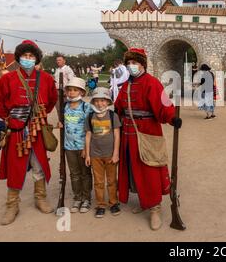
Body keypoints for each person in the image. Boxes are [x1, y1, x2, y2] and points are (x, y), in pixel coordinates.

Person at [0, 40, 58, 225]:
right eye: (25, 56)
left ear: (36, 58)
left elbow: (52, 99)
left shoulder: (45, 78)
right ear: (19, 57)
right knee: (15, 167)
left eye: (31, 56)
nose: (28, 59)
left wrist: (40, 115)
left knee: (39, 166)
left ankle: (40, 198)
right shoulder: (7, 79)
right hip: (16, 130)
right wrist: (8, 117)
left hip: (37, 130)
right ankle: (12, 205)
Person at [114, 48, 182, 230]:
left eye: (134, 62)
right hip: (128, 133)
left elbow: (164, 105)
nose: (131, 66)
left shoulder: (152, 83)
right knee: (133, 169)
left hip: (147, 132)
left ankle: (155, 209)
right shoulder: (126, 85)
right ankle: (144, 201)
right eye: (129, 63)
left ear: (142, 64)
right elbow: (119, 105)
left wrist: (172, 117)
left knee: (149, 168)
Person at [85, 87, 122, 218]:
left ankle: (113, 203)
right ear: (93, 102)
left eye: (103, 100)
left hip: (110, 154)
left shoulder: (113, 116)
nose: (100, 103)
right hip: (95, 155)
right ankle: (100, 205)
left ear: (108, 102)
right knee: (99, 181)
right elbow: (88, 135)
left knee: (112, 180)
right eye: (97, 101)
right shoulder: (90, 116)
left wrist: (116, 153)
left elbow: (117, 135)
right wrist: (88, 154)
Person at [62, 77, 93, 213]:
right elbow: (64, 123)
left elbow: (89, 129)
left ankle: (86, 198)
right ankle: (77, 197)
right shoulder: (65, 106)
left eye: (75, 90)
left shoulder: (86, 107)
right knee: (74, 173)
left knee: (85, 173)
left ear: (81, 92)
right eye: (69, 90)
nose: (72, 93)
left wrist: (87, 149)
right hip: (69, 147)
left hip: (82, 146)